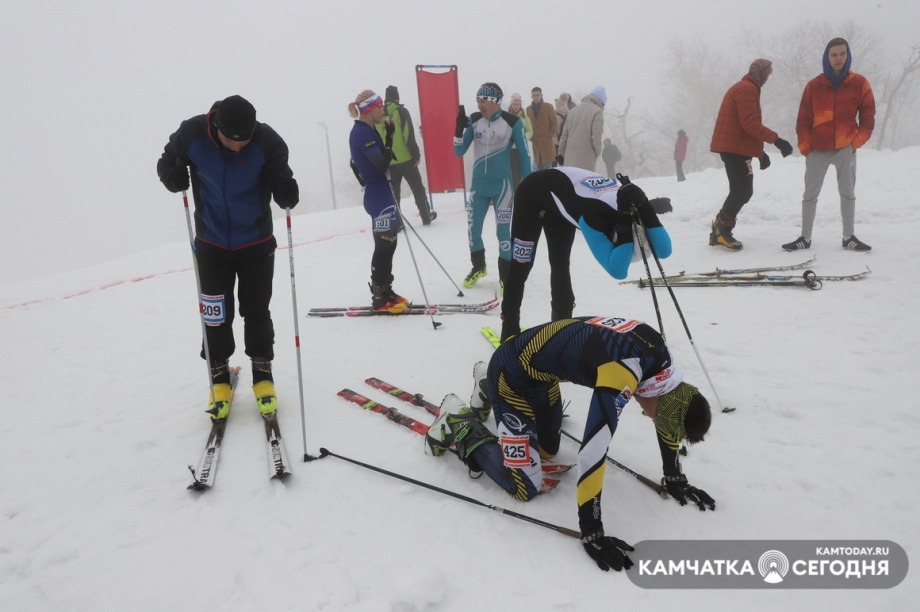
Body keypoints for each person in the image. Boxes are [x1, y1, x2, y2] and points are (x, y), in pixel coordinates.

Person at [426, 316, 714, 572]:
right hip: (511, 375)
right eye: (656, 421)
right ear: (663, 404)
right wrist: (592, 531)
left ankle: (485, 381)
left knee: (547, 452)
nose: (649, 419)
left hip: (542, 376)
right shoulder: (621, 375)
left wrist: (674, 474)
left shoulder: (663, 364)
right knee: (525, 486)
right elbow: (592, 452)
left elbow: (670, 417)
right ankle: (459, 422)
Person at [156, 95, 298, 418]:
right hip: (211, 245)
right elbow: (165, 162)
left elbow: (281, 173)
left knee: (257, 310)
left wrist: (286, 188)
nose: (238, 148)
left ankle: (263, 376)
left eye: (245, 141)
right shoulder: (192, 135)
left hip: (256, 243)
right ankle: (218, 378)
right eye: (232, 141)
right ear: (217, 127)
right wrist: (172, 177)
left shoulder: (266, 142)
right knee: (215, 315)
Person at [499, 168, 671, 342]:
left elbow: (664, 250)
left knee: (560, 263)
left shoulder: (636, 209)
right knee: (521, 267)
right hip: (532, 194)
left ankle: (562, 325)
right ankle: (509, 331)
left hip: (562, 197)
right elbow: (617, 270)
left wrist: (647, 208)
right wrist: (632, 219)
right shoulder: (593, 219)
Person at [783, 37, 876, 253]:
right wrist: (806, 146)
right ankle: (805, 238)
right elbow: (803, 119)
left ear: (848, 55)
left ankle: (848, 237)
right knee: (810, 193)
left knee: (847, 192)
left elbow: (868, 116)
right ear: (827, 57)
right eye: (834, 54)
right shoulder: (814, 86)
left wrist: (856, 142)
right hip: (818, 148)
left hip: (846, 146)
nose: (838, 58)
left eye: (842, 54)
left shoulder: (859, 83)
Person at [708, 60, 793, 250]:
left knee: (737, 190)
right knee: (744, 191)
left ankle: (719, 228)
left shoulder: (744, 86)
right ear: (760, 72)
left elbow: (743, 127)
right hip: (734, 150)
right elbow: (750, 124)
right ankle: (722, 231)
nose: (767, 78)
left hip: (733, 148)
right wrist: (777, 141)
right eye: (767, 74)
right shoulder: (747, 89)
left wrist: (760, 152)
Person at [454, 83, 532, 288]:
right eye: (478, 100)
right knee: (473, 231)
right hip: (479, 187)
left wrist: (531, 185)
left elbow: (524, 156)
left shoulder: (513, 122)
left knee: (503, 233)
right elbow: (459, 152)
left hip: (502, 188)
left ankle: (506, 276)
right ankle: (479, 267)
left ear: (496, 102)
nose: (479, 105)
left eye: (483, 101)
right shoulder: (474, 120)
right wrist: (457, 131)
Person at [348, 90, 410, 314]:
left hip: (383, 193)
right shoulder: (361, 133)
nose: (383, 111)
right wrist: (391, 139)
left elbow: (380, 158)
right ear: (370, 109)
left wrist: (388, 137)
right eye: (380, 107)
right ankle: (379, 295)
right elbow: (381, 165)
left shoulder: (370, 130)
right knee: (383, 245)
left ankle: (386, 289)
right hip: (377, 196)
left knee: (391, 243)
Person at [376, 85, 437, 226]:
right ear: (397, 97)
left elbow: (378, 139)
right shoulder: (401, 112)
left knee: (394, 194)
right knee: (417, 189)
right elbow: (408, 135)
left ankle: (397, 223)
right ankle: (426, 217)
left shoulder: (379, 114)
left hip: (389, 161)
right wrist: (416, 155)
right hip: (406, 159)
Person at [558, 86, 606, 172]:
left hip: (569, 160)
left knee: (570, 183)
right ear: (601, 103)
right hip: (586, 161)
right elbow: (596, 138)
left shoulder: (572, 111)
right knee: (583, 184)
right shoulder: (597, 112)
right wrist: (597, 152)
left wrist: (561, 155)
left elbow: (564, 137)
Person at [526, 87, 558, 171]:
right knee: (538, 170)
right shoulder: (528, 109)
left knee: (547, 171)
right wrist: (531, 137)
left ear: (541, 95)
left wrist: (549, 135)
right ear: (531, 97)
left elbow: (554, 123)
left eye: (537, 95)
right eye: (534, 95)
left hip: (546, 143)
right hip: (536, 144)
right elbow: (528, 125)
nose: (536, 97)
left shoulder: (548, 107)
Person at [507, 93, 533, 190]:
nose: (516, 107)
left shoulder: (524, 117)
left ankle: (520, 191)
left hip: (521, 148)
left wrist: (522, 137)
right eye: (514, 104)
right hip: (510, 149)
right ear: (511, 105)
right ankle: (512, 192)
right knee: (513, 173)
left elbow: (530, 131)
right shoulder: (506, 116)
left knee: (521, 172)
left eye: (518, 105)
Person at [553, 93, 573, 161]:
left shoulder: (555, 116)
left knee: (554, 165)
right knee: (563, 165)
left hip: (555, 144)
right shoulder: (570, 115)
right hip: (565, 145)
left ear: (559, 104)